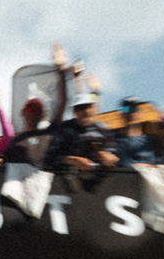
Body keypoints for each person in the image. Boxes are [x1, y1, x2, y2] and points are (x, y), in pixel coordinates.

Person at [44, 43, 118, 171]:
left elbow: (116, 157)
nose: (84, 112)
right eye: (79, 108)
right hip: (65, 187)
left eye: (87, 107)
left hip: (102, 187)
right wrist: (71, 160)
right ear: (74, 111)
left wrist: (107, 158)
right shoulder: (64, 130)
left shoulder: (102, 130)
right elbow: (49, 158)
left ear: (93, 109)